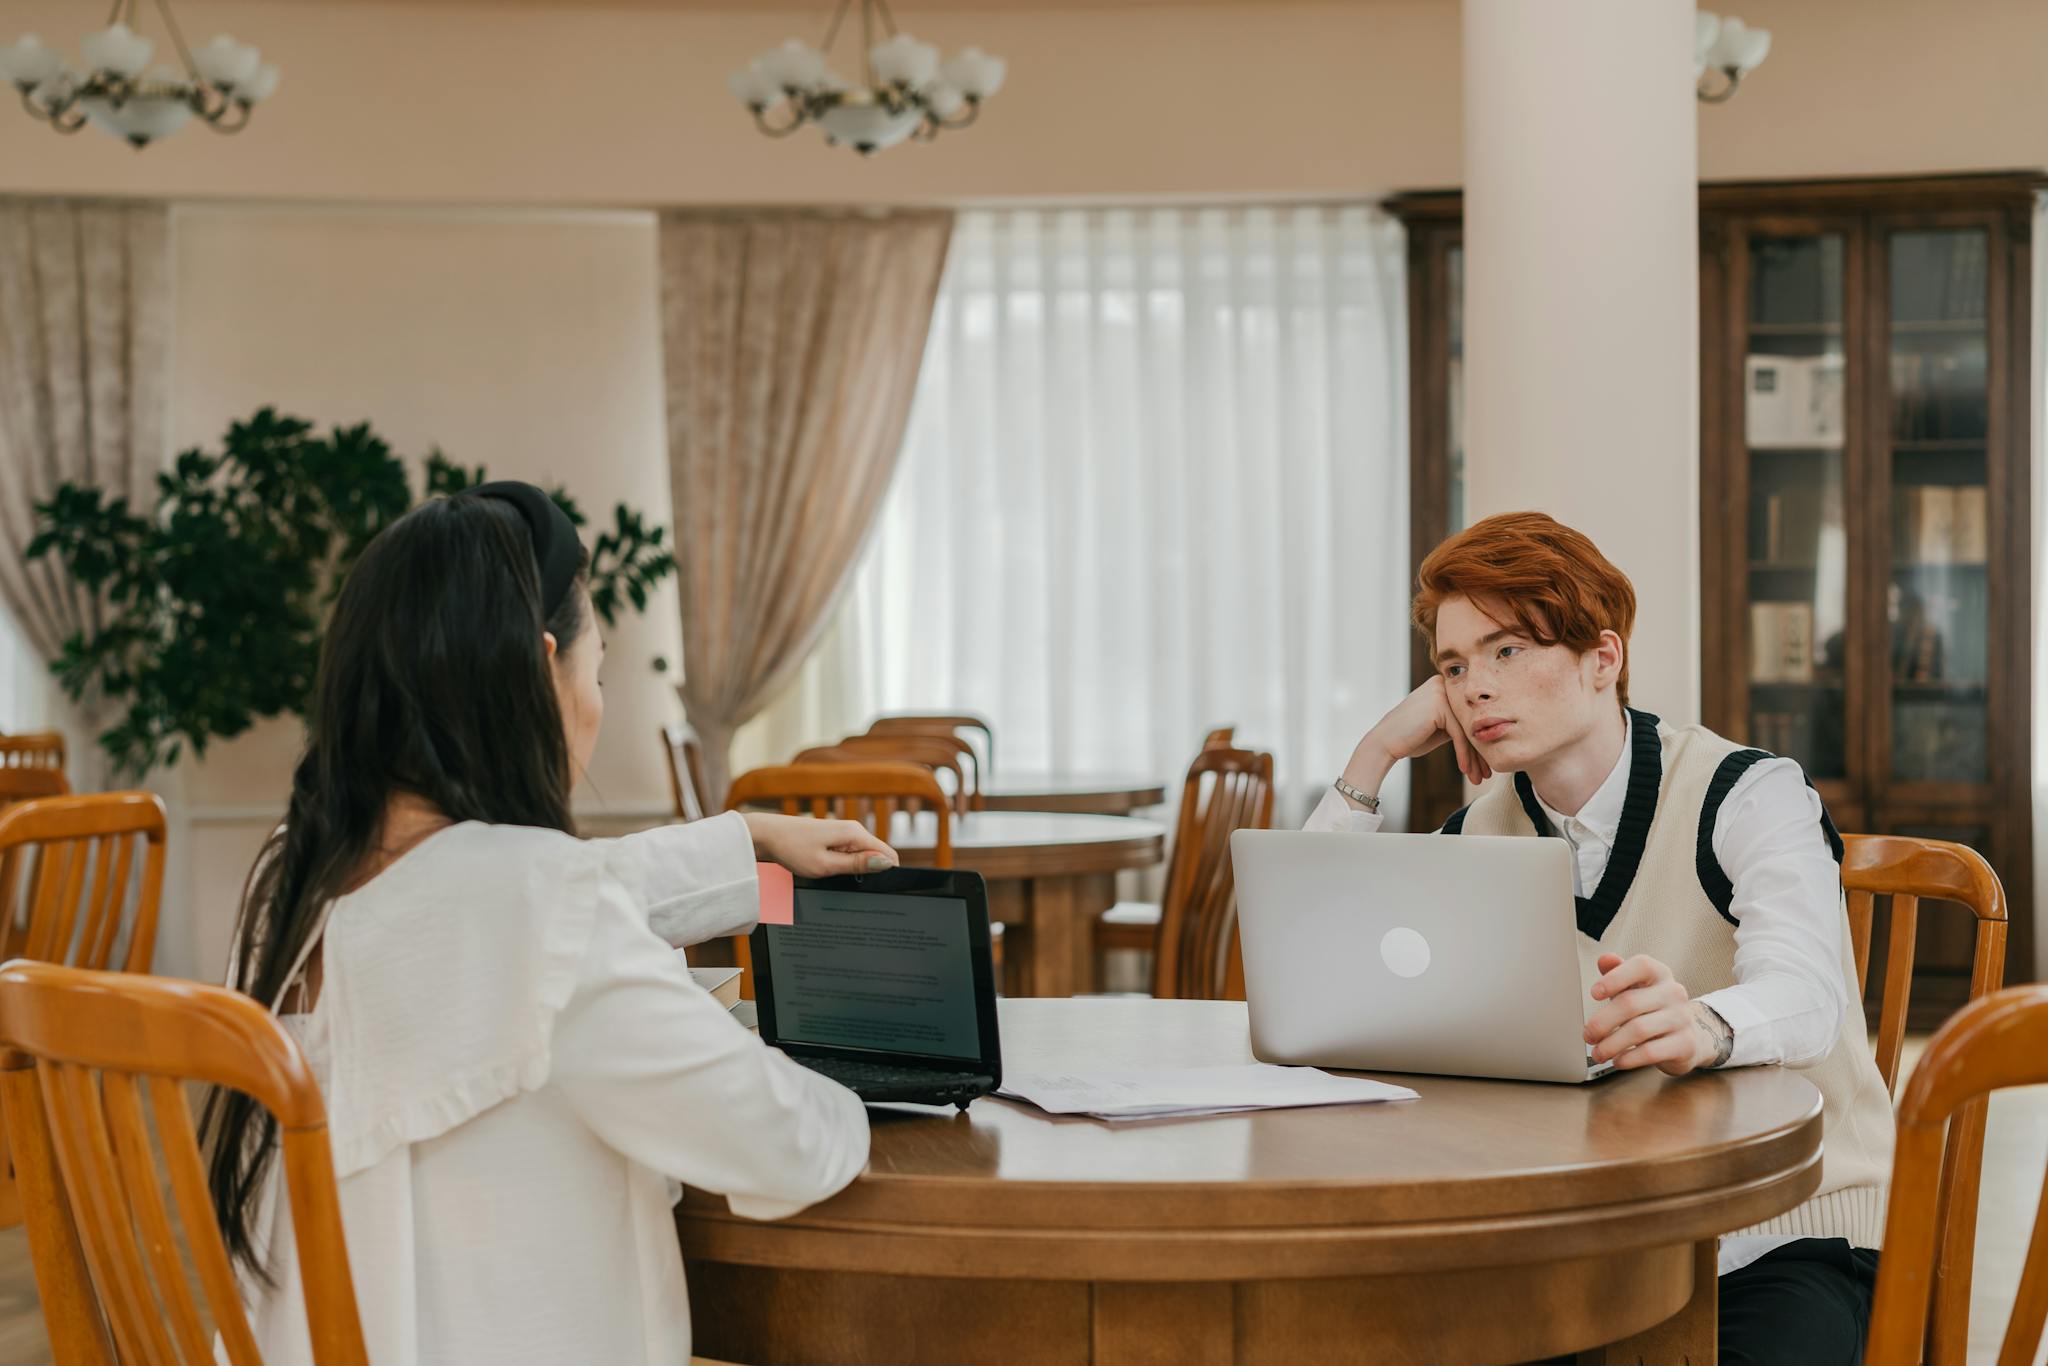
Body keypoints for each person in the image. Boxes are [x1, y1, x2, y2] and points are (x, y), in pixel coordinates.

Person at [204, 481, 893, 1364]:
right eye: (596, 672)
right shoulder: (534, 899)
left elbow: (494, 910)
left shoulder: (288, 880)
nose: (596, 702)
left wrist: (747, 840)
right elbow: (782, 1145)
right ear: (541, 671)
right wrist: (864, 1089)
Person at [1306, 511, 1891, 1366]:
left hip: (1786, 1237)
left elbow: (1808, 993)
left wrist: (1704, 1025)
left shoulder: (1747, 793)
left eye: (1507, 651)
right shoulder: (1483, 832)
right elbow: (1321, 961)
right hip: (1593, 1240)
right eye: (1453, 666)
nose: (1475, 688)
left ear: (1602, 660)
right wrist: (1375, 754)